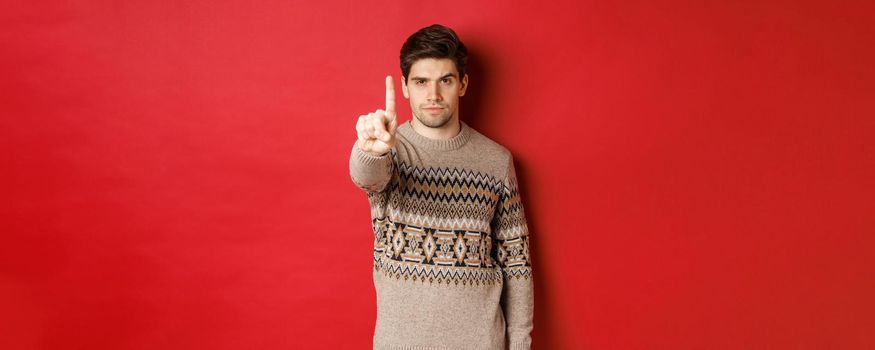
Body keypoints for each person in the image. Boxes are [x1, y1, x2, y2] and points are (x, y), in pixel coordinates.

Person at [349, 24, 533, 350]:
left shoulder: (496, 161)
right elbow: (367, 175)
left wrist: (519, 345)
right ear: (405, 87)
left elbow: (516, 265)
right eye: (421, 82)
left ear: (462, 84)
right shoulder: (388, 150)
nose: (433, 95)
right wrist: (370, 148)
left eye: (444, 81)